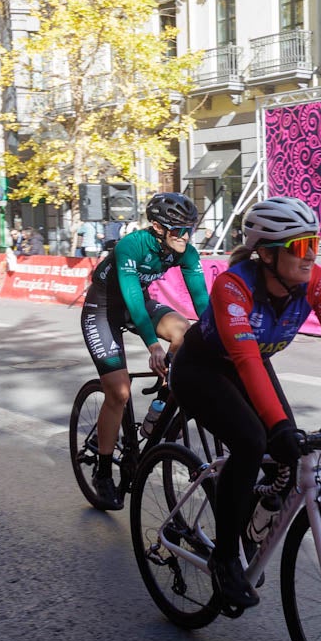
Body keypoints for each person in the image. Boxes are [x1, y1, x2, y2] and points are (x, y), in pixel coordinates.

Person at [172, 197, 321, 611]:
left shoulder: (315, 283)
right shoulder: (233, 286)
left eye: (314, 245)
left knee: (289, 453)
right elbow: (246, 361)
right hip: (201, 369)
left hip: (251, 365)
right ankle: (224, 557)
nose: (310, 257)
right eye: (301, 247)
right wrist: (278, 427)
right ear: (267, 254)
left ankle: (250, 522)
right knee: (253, 442)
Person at [79, 193, 209, 510]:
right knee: (119, 392)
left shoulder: (186, 251)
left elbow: (202, 302)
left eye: (189, 229)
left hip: (137, 304)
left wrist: (218, 339)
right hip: (104, 309)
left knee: (185, 332)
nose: (185, 236)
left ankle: (160, 406)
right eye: (178, 230)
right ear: (157, 227)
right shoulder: (132, 245)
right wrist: (152, 344)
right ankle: (103, 472)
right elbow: (133, 297)